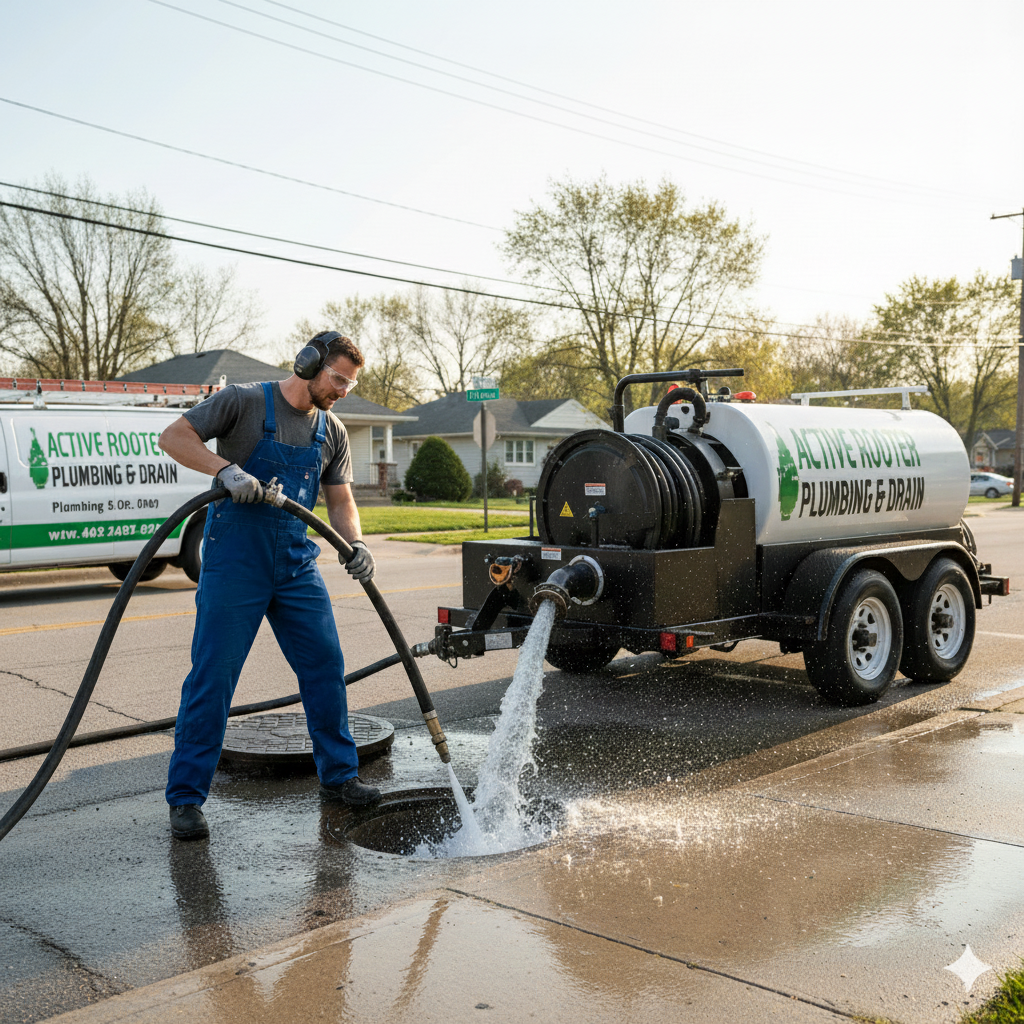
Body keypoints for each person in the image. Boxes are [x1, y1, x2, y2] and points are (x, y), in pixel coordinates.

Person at [159, 332, 381, 841]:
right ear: (308, 363)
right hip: (236, 560)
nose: (345, 390)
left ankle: (339, 778)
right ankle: (187, 799)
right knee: (213, 676)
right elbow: (173, 436)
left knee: (325, 667)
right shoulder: (241, 401)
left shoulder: (332, 430)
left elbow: (340, 500)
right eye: (339, 378)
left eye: (351, 382)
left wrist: (357, 544)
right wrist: (225, 469)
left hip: (296, 565)